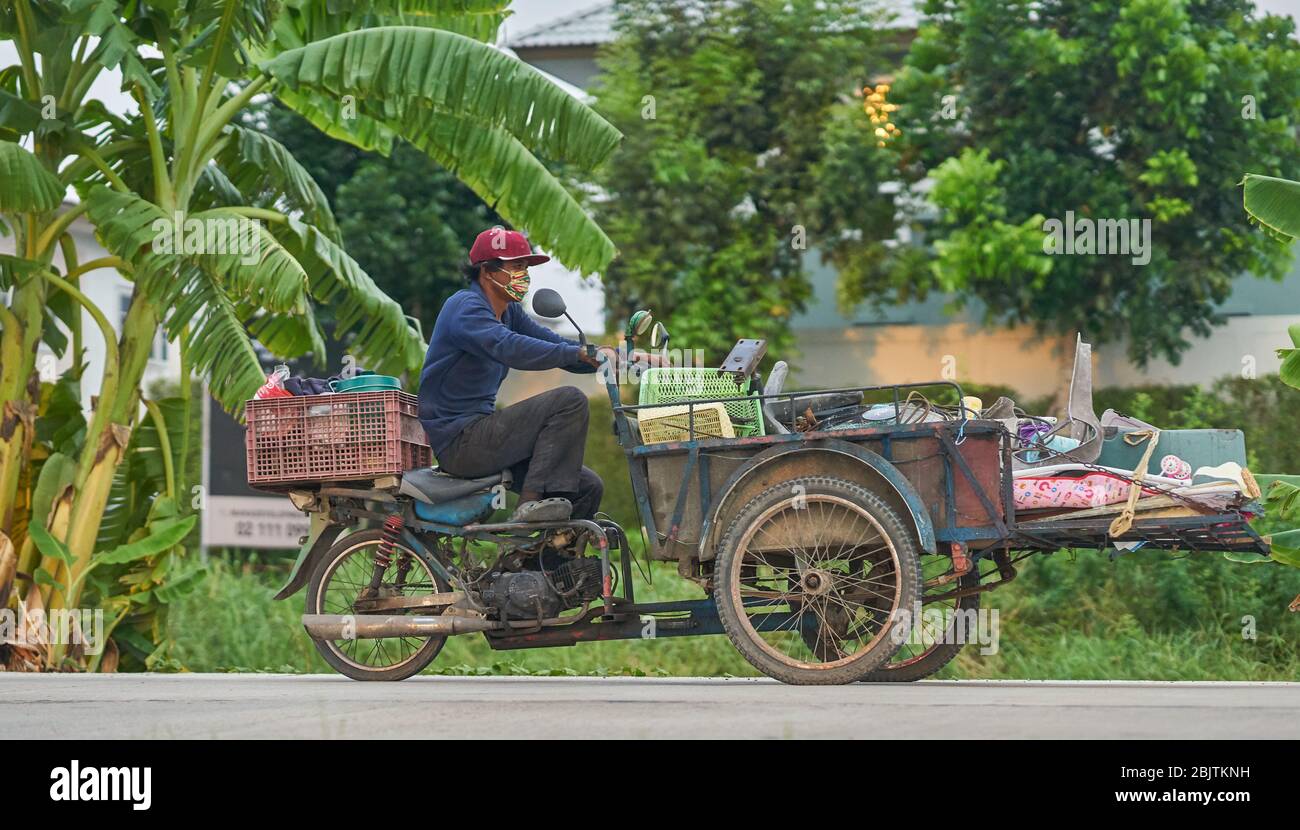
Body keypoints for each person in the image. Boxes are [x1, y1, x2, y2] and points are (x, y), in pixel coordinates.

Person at [417, 227, 609, 523]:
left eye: (526, 267)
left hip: (484, 434)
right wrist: (578, 354)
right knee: (569, 400)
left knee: (588, 487)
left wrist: (610, 357)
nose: (525, 275)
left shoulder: (509, 312)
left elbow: (552, 343)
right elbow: (509, 347)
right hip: (461, 442)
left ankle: (540, 562)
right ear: (487, 271)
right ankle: (530, 505)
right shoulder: (465, 308)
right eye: (516, 266)